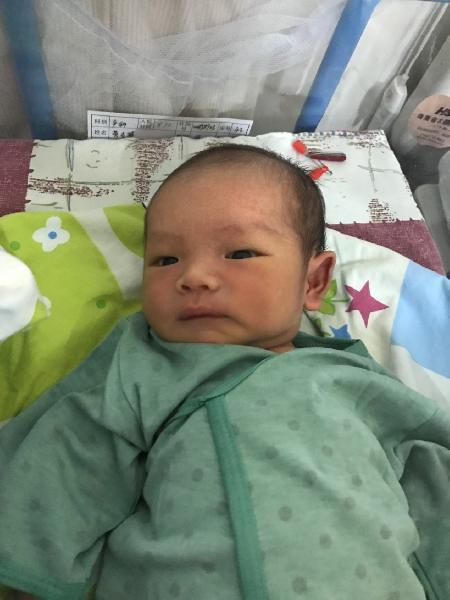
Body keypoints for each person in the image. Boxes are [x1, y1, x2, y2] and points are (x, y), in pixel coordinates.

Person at [1, 145, 449, 600]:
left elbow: (431, 470)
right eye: (165, 260)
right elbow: (71, 454)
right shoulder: (148, 364)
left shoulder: (353, 378)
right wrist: (31, 575)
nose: (194, 276)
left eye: (239, 253)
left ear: (313, 281)